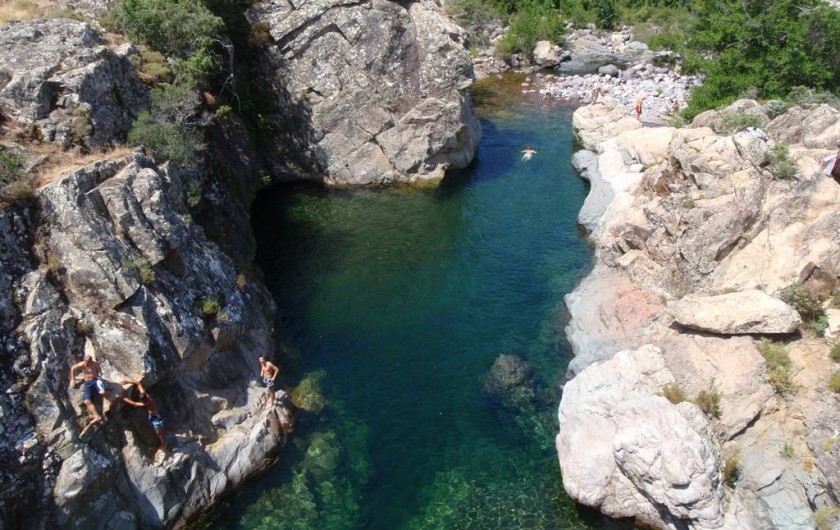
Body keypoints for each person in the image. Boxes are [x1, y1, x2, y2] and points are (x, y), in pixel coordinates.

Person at [121, 379, 167, 456]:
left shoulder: (147, 402)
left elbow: (134, 403)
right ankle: (161, 437)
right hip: (153, 416)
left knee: (158, 432)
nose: (142, 401)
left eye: (143, 400)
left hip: (156, 418)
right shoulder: (144, 394)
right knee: (157, 429)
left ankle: (163, 443)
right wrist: (127, 381)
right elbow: (138, 383)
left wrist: (123, 398)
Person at [70, 355, 107, 431]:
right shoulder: (82, 364)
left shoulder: (95, 364)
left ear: (91, 361)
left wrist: (99, 380)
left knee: (102, 392)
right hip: (87, 383)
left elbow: (99, 372)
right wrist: (73, 380)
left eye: (88, 363)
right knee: (86, 401)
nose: (86, 364)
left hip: (95, 380)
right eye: (86, 362)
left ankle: (107, 398)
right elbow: (73, 368)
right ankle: (97, 416)